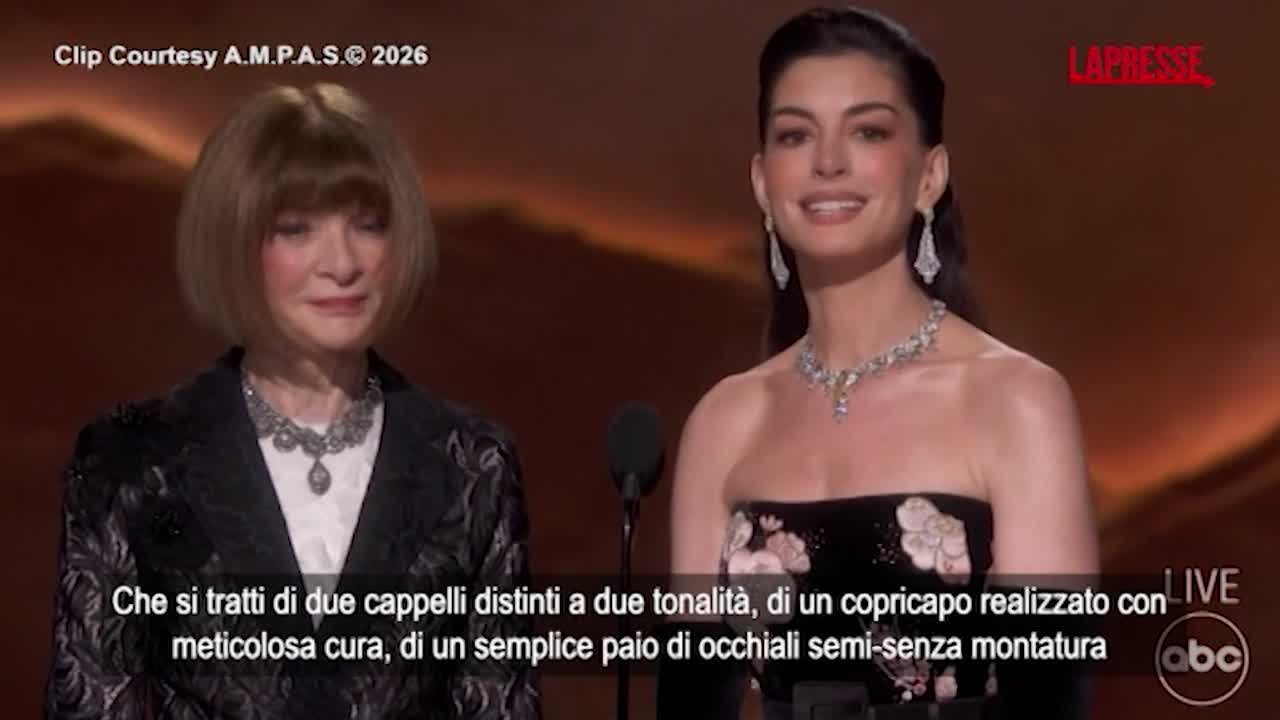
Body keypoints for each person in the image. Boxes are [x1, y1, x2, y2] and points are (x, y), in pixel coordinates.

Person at [43, 83, 541, 719]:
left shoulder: (473, 463)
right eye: (297, 229)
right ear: (233, 241)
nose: (343, 263)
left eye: (368, 224)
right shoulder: (131, 459)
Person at [658, 7, 1099, 719]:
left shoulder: (1016, 400)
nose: (827, 162)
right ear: (764, 183)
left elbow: (1050, 701)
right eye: (796, 135)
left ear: (930, 176)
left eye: (867, 131)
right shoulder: (724, 419)